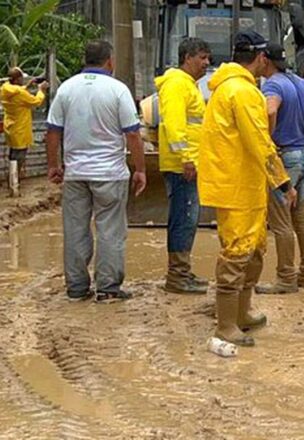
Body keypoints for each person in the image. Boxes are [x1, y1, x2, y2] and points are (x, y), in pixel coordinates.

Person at [198, 31, 295, 346]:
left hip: (240, 184)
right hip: (238, 187)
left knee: (252, 250)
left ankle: (242, 312)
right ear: (262, 58)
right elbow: (259, 141)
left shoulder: (228, 88)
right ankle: (226, 324)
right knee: (237, 254)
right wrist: (282, 181)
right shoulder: (243, 92)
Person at [45, 40, 147, 303]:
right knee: (110, 230)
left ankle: (77, 288)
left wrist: (54, 166)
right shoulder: (117, 90)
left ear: (85, 60)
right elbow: (133, 134)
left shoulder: (65, 89)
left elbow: (53, 132)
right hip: (110, 174)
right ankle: (108, 288)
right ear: (109, 61)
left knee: (75, 229)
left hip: (76, 174)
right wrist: (140, 169)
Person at [255, 43, 304, 295]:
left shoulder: (273, 85)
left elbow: (270, 109)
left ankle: (286, 278)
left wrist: (269, 139)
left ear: (265, 60)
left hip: (285, 157)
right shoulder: (302, 83)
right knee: (301, 217)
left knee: (280, 221)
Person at [156, 37, 212, 295]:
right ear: (187, 58)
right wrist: (187, 158)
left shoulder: (186, 85)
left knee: (187, 219)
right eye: (202, 57)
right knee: (184, 218)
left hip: (187, 162)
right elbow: (174, 125)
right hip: (182, 165)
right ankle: (177, 277)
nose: (206, 63)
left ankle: (182, 271)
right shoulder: (177, 84)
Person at [1, 67, 49, 181]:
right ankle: (14, 181)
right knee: (20, 156)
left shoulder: (5, 88)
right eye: (22, 78)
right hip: (20, 128)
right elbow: (36, 101)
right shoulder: (20, 93)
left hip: (10, 126)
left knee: (13, 154)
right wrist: (41, 90)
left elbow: (17, 92)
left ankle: (12, 178)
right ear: (17, 79)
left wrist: (27, 85)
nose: (23, 79)